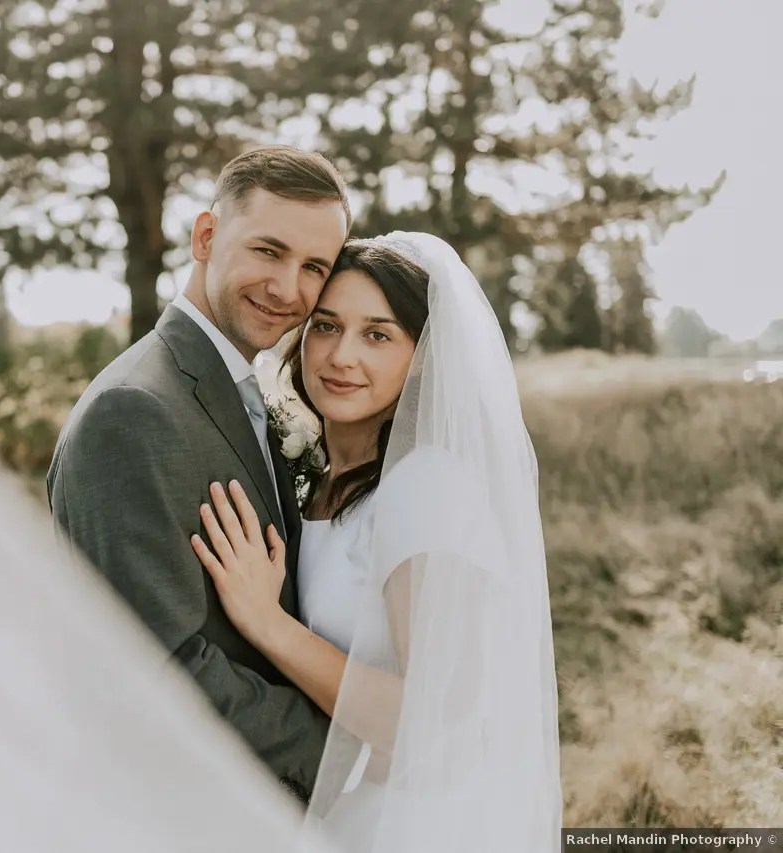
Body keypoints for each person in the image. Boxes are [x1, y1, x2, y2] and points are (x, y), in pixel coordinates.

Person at [191, 234, 563, 851]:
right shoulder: (322, 480)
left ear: (422, 359)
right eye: (326, 326)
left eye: (377, 335)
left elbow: (436, 725)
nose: (342, 356)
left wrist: (267, 623)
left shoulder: (425, 488)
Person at [46, 145, 351, 799]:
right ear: (206, 236)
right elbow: (157, 666)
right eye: (268, 251)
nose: (287, 288)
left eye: (313, 267)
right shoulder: (133, 411)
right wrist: (347, 755)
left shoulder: (234, 388)